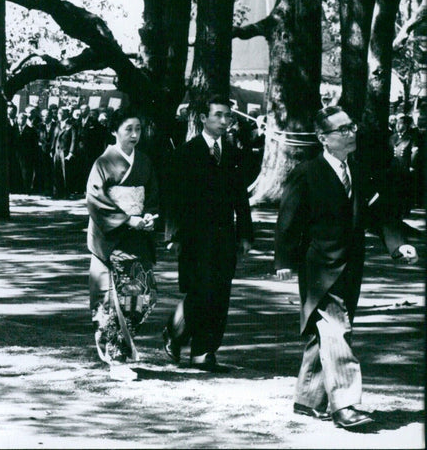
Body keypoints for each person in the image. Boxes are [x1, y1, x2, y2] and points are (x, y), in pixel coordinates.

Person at [275, 105, 418, 431]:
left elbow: (378, 214)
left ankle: (307, 399)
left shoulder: (360, 170)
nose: (351, 132)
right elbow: (287, 220)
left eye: (351, 127)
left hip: (351, 267)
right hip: (319, 270)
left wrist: (397, 246)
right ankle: (346, 404)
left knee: (323, 333)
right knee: (338, 331)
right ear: (323, 138)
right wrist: (283, 261)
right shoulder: (307, 172)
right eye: (342, 129)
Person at [162, 95, 253, 372]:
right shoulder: (186, 153)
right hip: (193, 236)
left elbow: (241, 198)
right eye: (218, 115)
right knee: (200, 291)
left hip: (224, 236)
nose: (224, 121)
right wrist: (173, 235)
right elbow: (173, 198)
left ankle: (204, 352)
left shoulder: (234, 154)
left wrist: (246, 234)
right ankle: (175, 333)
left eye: (228, 116)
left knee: (220, 293)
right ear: (203, 118)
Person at [86, 108, 160, 367]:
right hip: (112, 238)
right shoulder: (103, 163)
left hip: (137, 237)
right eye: (128, 129)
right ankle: (115, 352)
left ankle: (121, 344)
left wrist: (150, 215)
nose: (134, 134)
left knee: (144, 294)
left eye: (138, 129)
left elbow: (151, 196)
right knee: (111, 296)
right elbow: (96, 199)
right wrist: (127, 219)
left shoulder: (145, 161)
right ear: (114, 131)